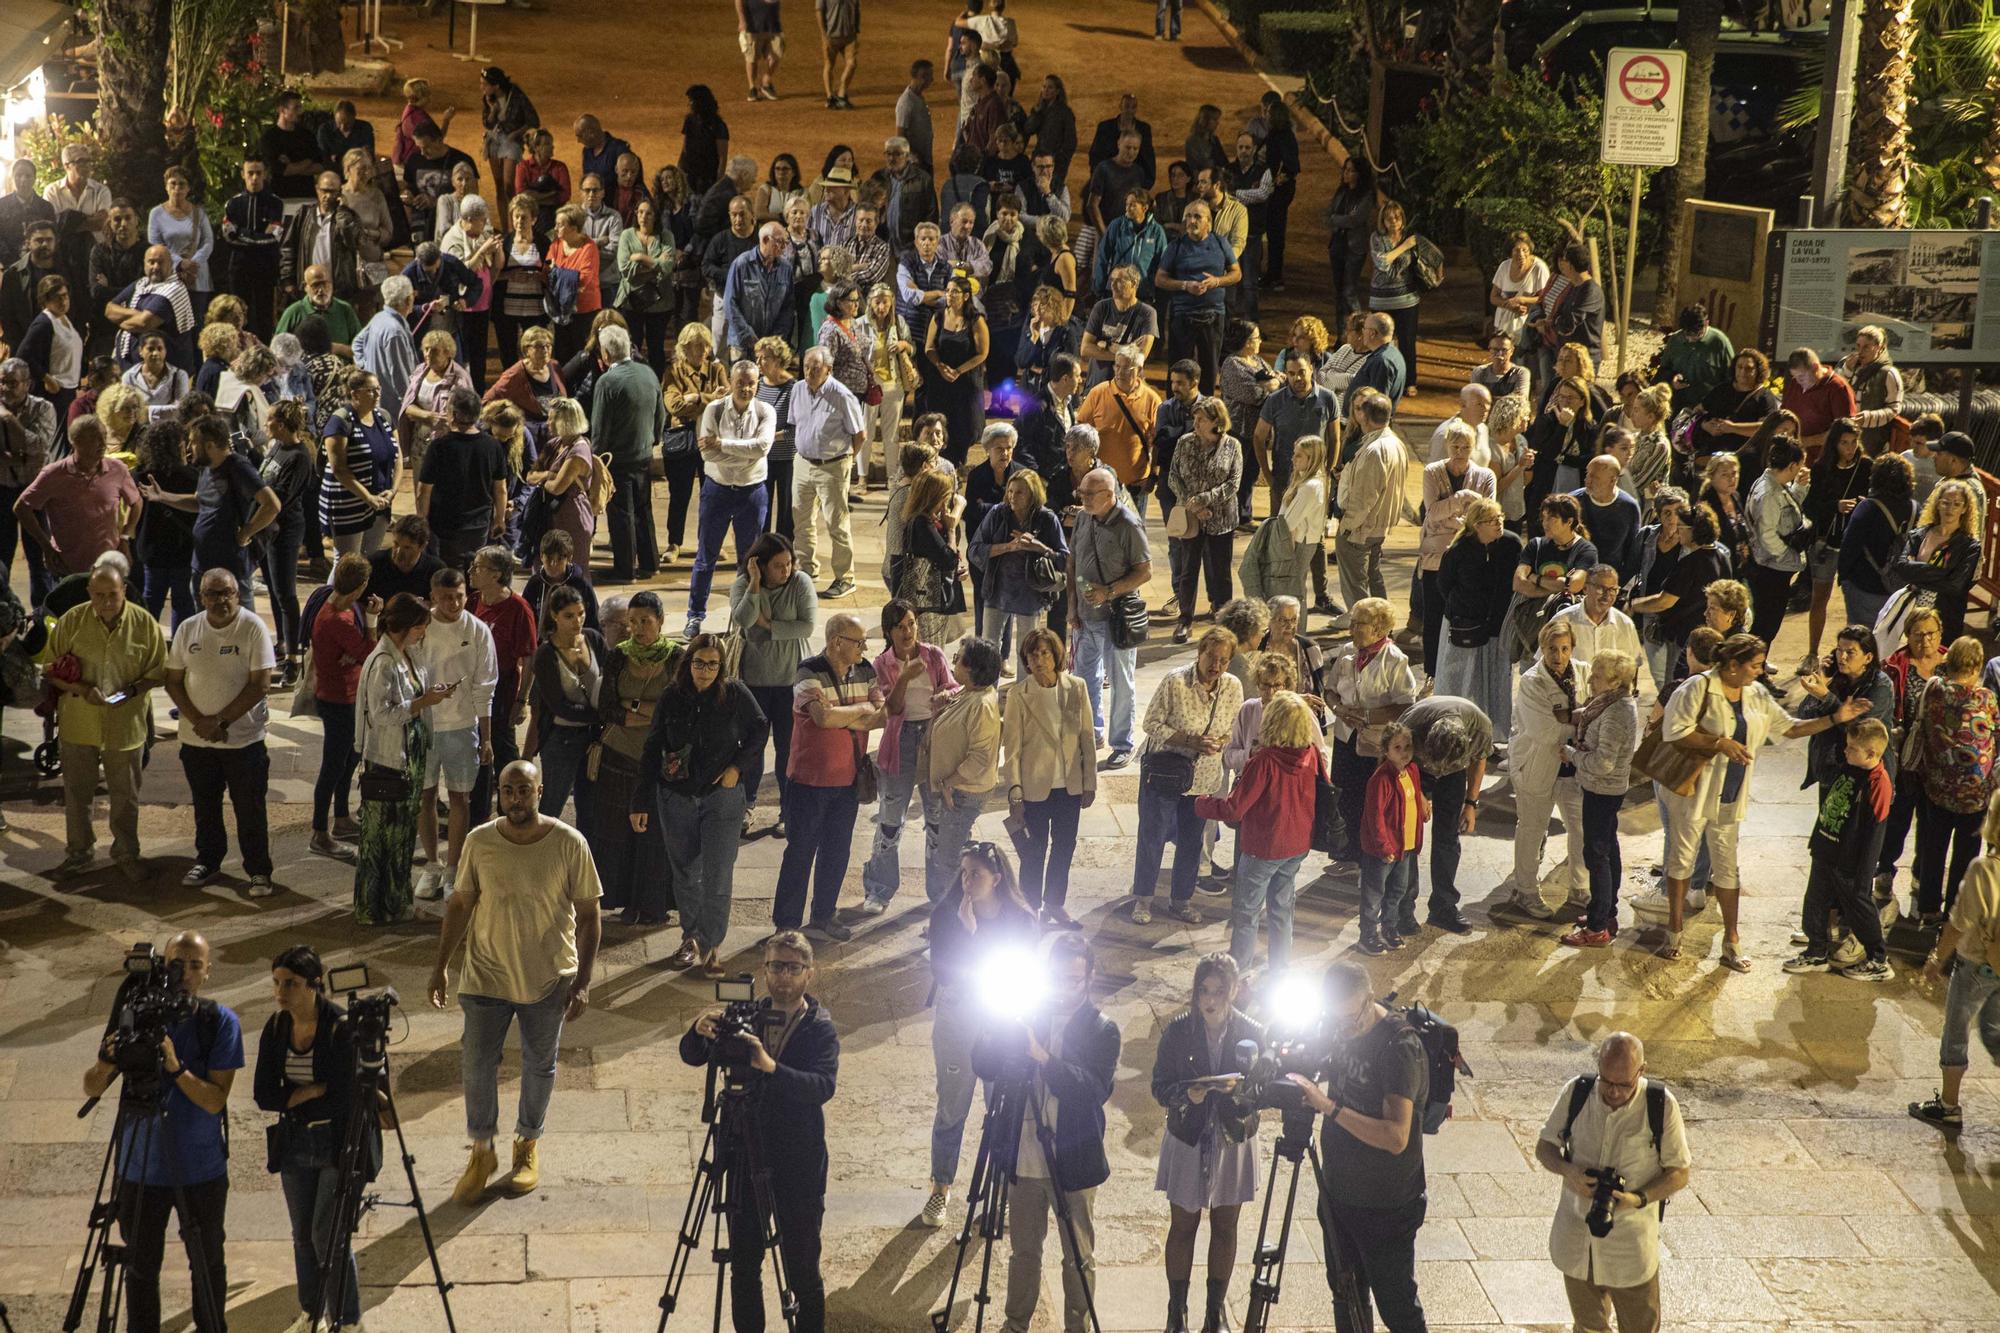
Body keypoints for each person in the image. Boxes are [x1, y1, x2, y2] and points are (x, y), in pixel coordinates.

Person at [428, 758, 601, 1205]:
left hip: (547, 976)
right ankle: (482, 1150)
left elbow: (589, 917)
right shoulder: (479, 841)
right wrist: (441, 964)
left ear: (540, 792)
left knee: (539, 1063)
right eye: (508, 791)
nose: (515, 798)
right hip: (485, 973)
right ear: (499, 794)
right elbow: (461, 905)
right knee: (476, 1063)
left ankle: (526, 1146)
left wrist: (582, 980)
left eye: (524, 790)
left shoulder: (569, 843)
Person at [1643, 633, 1866, 965]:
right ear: (1733, 666)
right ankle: (1674, 930)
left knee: (1727, 866)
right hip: (1692, 792)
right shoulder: (1696, 688)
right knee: (1681, 859)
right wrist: (1720, 743)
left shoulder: (1756, 693)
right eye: (1756, 665)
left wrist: (1835, 718)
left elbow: (1788, 729)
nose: (1761, 672)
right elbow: (1674, 730)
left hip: (1730, 794)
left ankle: (1732, 940)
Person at [79, 930, 241, 1333]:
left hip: (200, 1170)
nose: (184, 973)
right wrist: (106, 1063)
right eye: (176, 963)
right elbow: (92, 1086)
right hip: (139, 1170)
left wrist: (174, 1066)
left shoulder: (218, 1021)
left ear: (208, 972)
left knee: (207, 1266)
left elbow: (214, 1100)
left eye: (194, 965)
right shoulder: (134, 1011)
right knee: (139, 1268)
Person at [678, 931, 839, 1331]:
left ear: (809, 973)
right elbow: (692, 1056)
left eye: (793, 968)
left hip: (797, 1161)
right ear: (764, 970)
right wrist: (698, 1028)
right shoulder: (746, 1016)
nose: (783, 976)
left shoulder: (819, 1027)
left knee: (801, 1268)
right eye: (776, 966)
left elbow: (822, 1086)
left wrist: (772, 1067)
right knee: (743, 1263)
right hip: (743, 1154)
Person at [982, 931, 1119, 1333]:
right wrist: (992, 1028)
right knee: (1023, 1251)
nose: (1063, 989)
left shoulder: (1102, 1030)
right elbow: (985, 1066)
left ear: (1089, 978)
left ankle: (1076, 1326)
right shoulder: (1029, 1015)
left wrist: (1043, 1058)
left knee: (1078, 1253)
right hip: (1023, 1154)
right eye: (1056, 979)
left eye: (1073, 980)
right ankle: (1015, 1323)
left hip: (1073, 1160)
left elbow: (1091, 1091)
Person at [1288, 961, 1429, 1329]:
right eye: (1336, 1020)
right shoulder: (1336, 1025)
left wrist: (1328, 1107)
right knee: (1346, 1295)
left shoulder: (1398, 1047)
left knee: (1397, 1306)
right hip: (1337, 1192)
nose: (1344, 1029)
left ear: (1369, 999)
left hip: (1386, 1204)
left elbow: (1396, 1137)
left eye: (1351, 1019)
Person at [1533, 1033, 1692, 1332]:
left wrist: (1638, 1199)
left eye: (1624, 1084)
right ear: (1599, 1066)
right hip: (1579, 1240)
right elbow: (1545, 1148)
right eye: (1607, 1081)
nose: (1614, 1092)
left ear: (1641, 1071)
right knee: (1588, 1327)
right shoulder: (1578, 1093)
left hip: (1630, 1249)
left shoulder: (1660, 1105)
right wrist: (1569, 1172)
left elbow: (1680, 1172)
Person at [920, 840, 1041, 1227]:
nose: (969, 880)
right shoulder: (946, 915)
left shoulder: (1020, 920)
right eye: (965, 872)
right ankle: (941, 1187)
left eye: (977, 874)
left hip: (1001, 1019)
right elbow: (944, 973)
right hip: (958, 1018)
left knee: (1002, 1108)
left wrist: (976, 938)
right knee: (952, 1106)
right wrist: (967, 931)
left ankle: (999, 1191)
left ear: (997, 879)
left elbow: (1021, 970)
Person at [253, 944, 372, 1333]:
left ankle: (348, 1317)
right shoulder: (276, 1028)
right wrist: (311, 1091)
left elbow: (345, 1095)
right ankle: (312, 1309)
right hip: (295, 1144)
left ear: (314, 986)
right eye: (277, 983)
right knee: (302, 1234)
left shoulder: (339, 1026)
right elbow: (263, 1094)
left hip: (337, 1143)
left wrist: (296, 1095)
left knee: (328, 1234)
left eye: (291, 984)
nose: (281, 991)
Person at [632, 630, 767, 969]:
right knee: (685, 872)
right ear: (687, 663)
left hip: (721, 797)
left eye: (712, 665)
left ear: (721, 668)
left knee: (718, 874)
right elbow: (652, 748)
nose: (704, 671)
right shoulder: (671, 697)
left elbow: (760, 728)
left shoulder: (734, 694)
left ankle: (710, 943)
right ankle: (690, 937)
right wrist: (640, 800)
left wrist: (738, 767)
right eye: (698, 663)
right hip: (677, 796)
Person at [1149, 954, 1262, 1332]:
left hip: (1232, 1139)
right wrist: (1188, 1096)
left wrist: (1239, 1091)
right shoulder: (1179, 1031)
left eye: (1218, 991)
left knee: (1225, 1225)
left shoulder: (1252, 1031)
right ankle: (1175, 1312)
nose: (1210, 1000)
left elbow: (1263, 1090)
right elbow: (1160, 1087)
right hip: (1189, 1135)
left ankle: (1215, 1314)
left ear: (1232, 992)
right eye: (1203, 991)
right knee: (1183, 1225)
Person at [44, 559, 166, 878]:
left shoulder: (144, 624)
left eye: (112, 594)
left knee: (125, 796)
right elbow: (49, 669)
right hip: (78, 723)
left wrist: (134, 689)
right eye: (98, 595)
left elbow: (159, 671)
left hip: (126, 725)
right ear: (89, 592)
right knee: (77, 793)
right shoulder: (72, 621)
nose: (106, 603)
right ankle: (79, 852)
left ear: (124, 590)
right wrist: (81, 688)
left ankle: (126, 852)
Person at [164, 566, 278, 895]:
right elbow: (172, 680)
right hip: (197, 741)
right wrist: (198, 721)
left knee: (250, 809)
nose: (220, 600)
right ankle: (208, 861)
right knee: (205, 806)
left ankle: (259, 871)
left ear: (237, 593)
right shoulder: (188, 629)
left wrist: (221, 721)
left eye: (226, 592)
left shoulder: (252, 628)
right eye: (212, 594)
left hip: (244, 743)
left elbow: (260, 685)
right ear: (201, 598)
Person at [775, 613, 884, 938]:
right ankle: (787, 923)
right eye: (859, 641)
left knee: (837, 852)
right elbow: (821, 717)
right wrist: (860, 710)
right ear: (837, 642)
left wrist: (844, 715)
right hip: (808, 782)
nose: (864, 647)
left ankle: (824, 915)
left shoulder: (866, 670)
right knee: (800, 852)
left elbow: (881, 717)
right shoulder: (808, 670)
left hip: (847, 780)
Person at [1194, 690, 1317, 971]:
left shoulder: (1265, 762)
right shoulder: (1310, 754)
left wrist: (1201, 804)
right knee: (1282, 910)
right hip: (1296, 846)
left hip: (1263, 848)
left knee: (1246, 913)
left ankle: (1237, 973)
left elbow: (1234, 809)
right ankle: (1280, 970)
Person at [353, 592, 455, 924]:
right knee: (381, 839)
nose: (424, 632)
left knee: (400, 839)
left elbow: (413, 693)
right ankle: (374, 907)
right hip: (387, 758)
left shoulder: (404, 653)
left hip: (407, 755)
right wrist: (425, 702)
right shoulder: (383, 660)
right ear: (406, 625)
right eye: (421, 626)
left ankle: (395, 904)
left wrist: (429, 695)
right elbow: (383, 715)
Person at [1131, 628, 1242, 925]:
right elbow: (1150, 723)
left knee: (1193, 842)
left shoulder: (1232, 687)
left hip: (1203, 779)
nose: (1215, 666)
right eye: (1211, 657)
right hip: (1164, 773)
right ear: (1199, 653)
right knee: (1151, 838)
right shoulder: (1175, 682)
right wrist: (1189, 741)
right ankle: (1143, 900)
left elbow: (1232, 728)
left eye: (1223, 660)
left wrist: (1220, 742)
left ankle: (1181, 900)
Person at [1909, 787, 2000, 1130]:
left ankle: (1948, 1106)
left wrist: (1936, 959)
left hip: (1977, 963)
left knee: (1956, 1032)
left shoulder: (1984, 870)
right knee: (1995, 1032)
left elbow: (1958, 924)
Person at [998, 626, 1097, 927]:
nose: (1039, 659)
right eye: (1033, 654)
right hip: (1034, 788)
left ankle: (1055, 903)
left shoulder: (1076, 688)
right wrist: (1014, 791)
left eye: (1045, 653)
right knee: (1033, 851)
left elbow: (1087, 738)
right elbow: (1011, 748)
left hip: (1068, 786)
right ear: (1026, 660)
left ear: (1057, 656)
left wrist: (1089, 782)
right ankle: (1031, 907)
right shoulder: (1019, 694)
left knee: (1064, 846)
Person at [1910, 636, 2000, 927]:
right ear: (1975, 665)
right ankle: (1954, 914)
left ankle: (1927, 910)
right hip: (1975, 794)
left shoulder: (1935, 689)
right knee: (1965, 854)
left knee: (1933, 848)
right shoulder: (1985, 698)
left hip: (1937, 788)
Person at [732, 533, 818, 832]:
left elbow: (807, 626)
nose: (786, 571)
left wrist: (768, 626)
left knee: (788, 748)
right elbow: (743, 620)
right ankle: (746, 806)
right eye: (778, 566)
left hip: (789, 680)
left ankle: (788, 809)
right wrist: (754, 585)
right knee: (753, 748)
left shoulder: (800, 582)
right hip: (754, 681)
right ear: (760, 564)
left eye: (789, 564)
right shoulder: (744, 583)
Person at [1068, 465, 1152, 768]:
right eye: (1082, 492)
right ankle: (1092, 734)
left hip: (1118, 618)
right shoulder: (1083, 517)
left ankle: (1123, 743)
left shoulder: (1129, 524)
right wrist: (1071, 607)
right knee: (1085, 679)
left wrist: (1109, 591)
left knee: (1121, 682)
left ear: (1109, 495)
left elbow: (1145, 572)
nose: (1084, 498)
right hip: (1085, 617)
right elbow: (1072, 563)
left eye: (1090, 494)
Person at [921, 637, 1004, 900]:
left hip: (963, 792)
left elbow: (980, 756)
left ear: (972, 668)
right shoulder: (970, 692)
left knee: (949, 862)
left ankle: (952, 916)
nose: (953, 662)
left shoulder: (981, 705)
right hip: (956, 788)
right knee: (953, 852)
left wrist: (950, 782)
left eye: (958, 658)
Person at [1434, 498, 1523, 734]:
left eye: (1500, 517)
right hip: (1465, 626)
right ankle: (1454, 729)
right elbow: (1444, 586)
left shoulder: (1511, 544)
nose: (1499, 523)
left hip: (1497, 626)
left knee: (1495, 680)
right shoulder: (1459, 550)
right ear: (1476, 525)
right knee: (1461, 678)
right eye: (1492, 520)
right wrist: (1464, 610)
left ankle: (1493, 732)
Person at [309, 554, 376, 861]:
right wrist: (371, 627)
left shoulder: (342, 605)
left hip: (348, 695)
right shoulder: (335, 618)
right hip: (337, 700)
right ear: (360, 586)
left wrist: (355, 652)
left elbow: (358, 652)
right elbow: (369, 651)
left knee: (350, 758)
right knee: (332, 766)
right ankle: (320, 833)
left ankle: (341, 818)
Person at [527, 583, 611, 825]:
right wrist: (602, 715)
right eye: (569, 616)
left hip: (593, 738)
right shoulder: (546, 654)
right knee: (552, 803)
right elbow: (559, 706)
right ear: (554, 615)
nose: (577, 621)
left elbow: (610, 677)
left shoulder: (593, 639)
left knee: (591, 805)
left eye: (581, 613)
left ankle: (582, 857)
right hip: (561, 739)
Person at [1416, 423, 1496, 676]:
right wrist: (1461, 499)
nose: (1460, 452)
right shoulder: (1432, 472)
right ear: (1447, 445)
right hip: (1435, 558)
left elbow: (1486, 516)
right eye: (1455, 446)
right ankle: (1431, 672)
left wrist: (1450, 518)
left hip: (1469, 559)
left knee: (1465, 616)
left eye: (1466, 447)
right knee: (1433, 618)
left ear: (1474, 448)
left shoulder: (1485, 476)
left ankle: (1461, 674)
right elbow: (1431, 513)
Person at [1166, 394, 1242, 641]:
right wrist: (1193, 504)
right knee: (1188, 569)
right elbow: (1173, 477)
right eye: (1194, 418)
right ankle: (1185, 619)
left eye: (1201, 419)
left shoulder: (1232, 446)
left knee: (1221, 572)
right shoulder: (1184, 443)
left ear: (1216, 421)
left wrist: (1206, 499)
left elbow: (1233, 483)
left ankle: (1223, 617)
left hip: (1221, 518)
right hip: (1191, 518)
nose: (1195, 424)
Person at [1335, 389, 1415, 616]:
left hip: (1362, 528)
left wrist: (1347, 525)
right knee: (1373, 577)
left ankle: (1369, 628)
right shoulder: (1395, 443)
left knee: (1357, 587)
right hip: (1378, 526)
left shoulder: (1374, 450)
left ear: (1366, 418)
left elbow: (1364, 499)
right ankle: (1383, 623)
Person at [1888, 475, 1984, 646]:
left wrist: (1916, 571)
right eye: (1946, 502)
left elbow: (1955, 586)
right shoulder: (1919, 535)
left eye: (1957, 504)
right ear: (1938, 503)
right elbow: (1901, 566)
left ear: (1964, 509)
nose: (1950, 509)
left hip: (1945, 619)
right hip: (1911, 613)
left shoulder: (1970, 546)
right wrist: (1944, 573)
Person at [1154, 201, 1238, 393]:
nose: (1192, 221)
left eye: (1197, 217)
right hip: (1182, 315)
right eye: (1189, 216)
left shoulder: (1220, 243)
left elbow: (1236, 273)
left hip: (1213, 315)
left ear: (1209, 221)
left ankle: (1205, 411)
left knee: (1209, 368)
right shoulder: (1176, 246)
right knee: (1178, 368)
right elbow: (1160, 279)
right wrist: (1185, 285)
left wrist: (1217, 281)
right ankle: (1174, 410)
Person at [1075, 345, 1160, 513]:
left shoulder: (1152, 400)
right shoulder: (1097, 393)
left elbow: (1158, 442)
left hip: (1136, 484)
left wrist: (1153, 475)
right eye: (1117, 366)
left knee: (1134, 534)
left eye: (1127, 368)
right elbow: (1080, 433)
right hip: (1102, 484)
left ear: (1140, 370)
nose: (1120, 372)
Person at [1743, 437, 1810, 651]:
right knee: (1765, 627)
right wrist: (1789, 555)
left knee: (1767, 626)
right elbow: (1767, 535)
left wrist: (1799, 487)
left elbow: (1786, 513)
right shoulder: (1769, 493)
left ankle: (1757, 666)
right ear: (1791, 465)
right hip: (1771, 570)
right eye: (1798, 466)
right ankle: (1755, 670)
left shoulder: (1774, 484)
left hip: (1774, 567)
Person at [1779, 346, 1857, 455]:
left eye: (1801, 376)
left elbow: (1845, 431)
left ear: (1815, 368)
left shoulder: (1838, 388)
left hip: (1823, 459)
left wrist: (1806, 441)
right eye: (1794, 376)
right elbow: (1784, 415)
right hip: (1794, 457)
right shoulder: (1795, 383)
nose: (1798, 381)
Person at [366, 513, 445, 605]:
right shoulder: (375, 564)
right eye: (396, 544)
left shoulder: (436, 571)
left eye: (407, 548)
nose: (398, 553)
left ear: (422, 546)